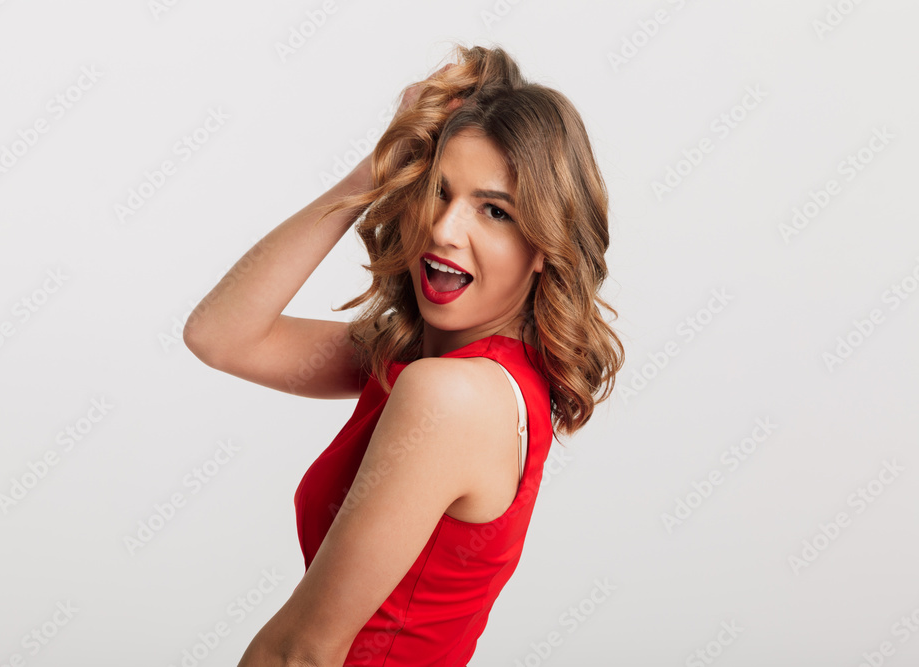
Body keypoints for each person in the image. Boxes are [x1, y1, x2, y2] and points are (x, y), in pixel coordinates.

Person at [184, 42, 623, 667]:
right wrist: (378, 166)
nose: (446, 229)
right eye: (437, 192)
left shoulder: (452, 397)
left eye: (494, 211)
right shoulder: (437, 367)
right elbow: (221, 334)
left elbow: (301, 654)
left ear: (544, 245)